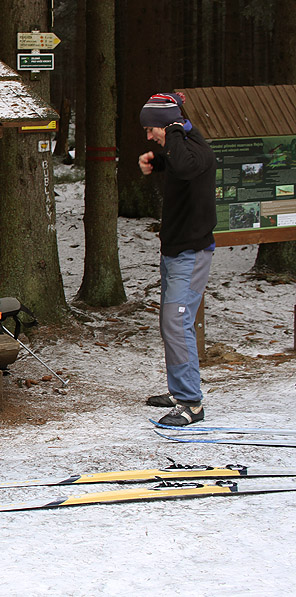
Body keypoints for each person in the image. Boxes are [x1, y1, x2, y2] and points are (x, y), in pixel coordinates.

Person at [137, 92, 217, 426]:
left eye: (152, 129)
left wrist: (171, 132)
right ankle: (178, 390)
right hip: (175, 252)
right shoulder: (184, 144)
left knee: (177, 323)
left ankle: (190, 403)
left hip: (191, 254)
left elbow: (188, 163)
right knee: (170, 324)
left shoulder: (191, 144)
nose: (149, 135)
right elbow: (181, 165)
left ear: (167, 124)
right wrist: (158, 162)